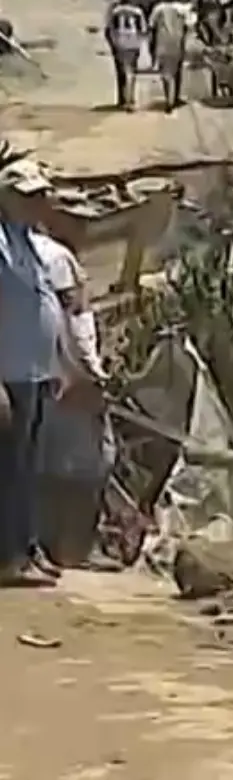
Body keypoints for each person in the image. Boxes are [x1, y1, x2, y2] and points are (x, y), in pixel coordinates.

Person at [0, 156, 82, 587]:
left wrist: (60, 364)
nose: (37, 203)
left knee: (29, 468)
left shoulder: (32, 244)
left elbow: (47, 305)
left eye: (40, 196)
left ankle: (27, 547)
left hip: (35, 371)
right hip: (8, 373)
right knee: (9, 469)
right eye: (28, 197)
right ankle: (8, 556)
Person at [27, 225, 113, 571]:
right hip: (67, 375)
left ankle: (47, 545)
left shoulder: (26, 253)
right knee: (91, 462)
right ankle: (75, 549)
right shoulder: (58, 258)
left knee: (44, 461)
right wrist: (89, 373)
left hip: (38, 372)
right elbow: (75, 321)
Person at [150, 0, 193, 111]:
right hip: (178, 43)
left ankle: (169, 99)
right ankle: (175, 98)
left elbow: (151, 27)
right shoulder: (183, 9)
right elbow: (189, 26)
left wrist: (151, 46)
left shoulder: (158, 8)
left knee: (165, 73)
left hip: (162, 43)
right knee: (177, 71)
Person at [104, 0, 147, 110]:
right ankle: (130, 98)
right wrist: (140, 42)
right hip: (133, 43)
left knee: (121, 71)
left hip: (119, 43)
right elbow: (143, 30)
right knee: (132, 71)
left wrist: (112, 43)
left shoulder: (115, 10)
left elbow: (109, 29)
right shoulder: (137, 11)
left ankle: (122, 99)